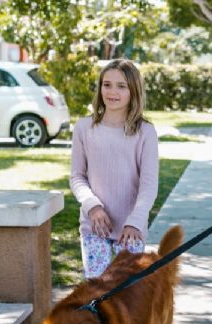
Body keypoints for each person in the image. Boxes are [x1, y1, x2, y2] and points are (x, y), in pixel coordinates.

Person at [71, 59, 159, 279]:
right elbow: (77, 177)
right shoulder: (84, 128)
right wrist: (92, 206)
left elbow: (148, 186)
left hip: (131, 230)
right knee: (97, 294)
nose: (112, 92)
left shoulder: (145, 133)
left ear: (133, 91)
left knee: (126, 297)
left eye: (121, 86)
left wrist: (135, 221)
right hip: (95, 227)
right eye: (107, 84)